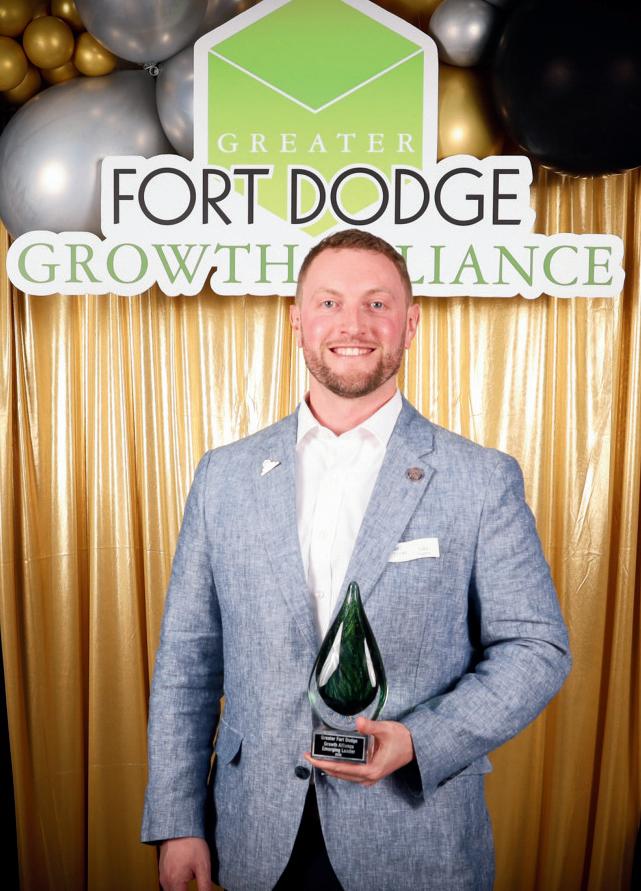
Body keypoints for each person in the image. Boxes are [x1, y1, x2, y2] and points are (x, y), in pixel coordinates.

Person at [141, 229, 571, 891]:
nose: (353, 324)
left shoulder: (480, 478)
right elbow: (186, 660)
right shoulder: (222, 477)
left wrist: (422, 739)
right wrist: (178, 821)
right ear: (296, 322)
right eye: (329, 303)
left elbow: (536, 647)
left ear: (410, 323)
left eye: (376, 303)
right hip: (253, 836)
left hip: (417, 840)